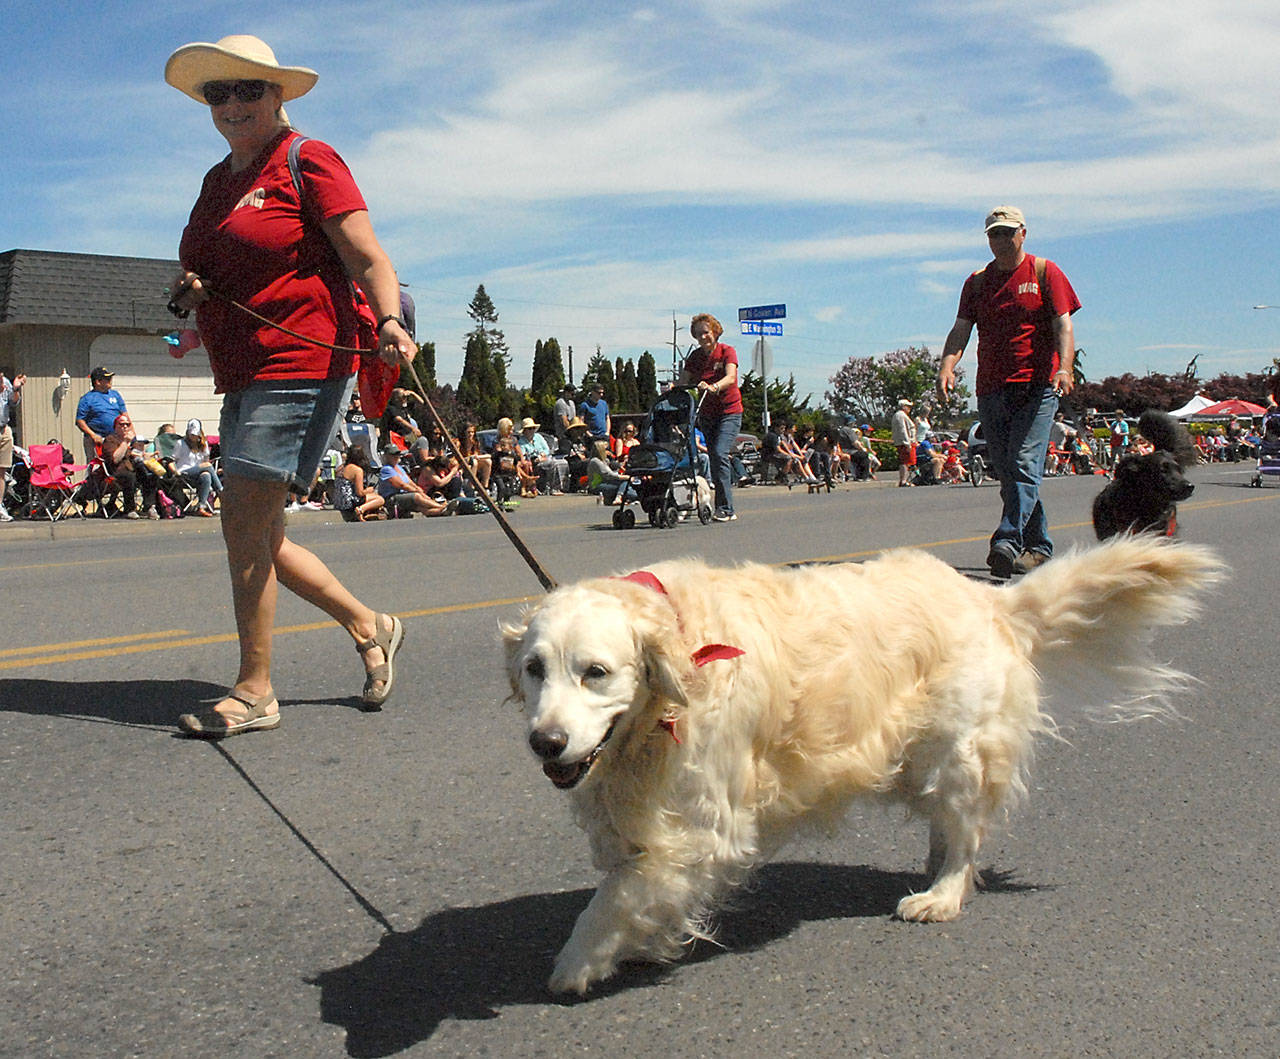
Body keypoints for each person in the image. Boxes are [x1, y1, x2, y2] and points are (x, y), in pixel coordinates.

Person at [165, 34, 415, 735]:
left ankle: (255, 690)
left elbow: (367, 257)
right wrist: (192, 289)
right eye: (218, 92)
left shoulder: (308, 159)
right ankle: (370, 624)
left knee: (245, 523)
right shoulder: (217, 181)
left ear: (277, 94)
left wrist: (389, 321)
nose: (233, 104)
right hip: (242, 368)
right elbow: (212, 261)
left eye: (249, 88)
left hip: (302, 357)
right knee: (257, 531)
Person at [938, 205, 1080, 579]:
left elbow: (1063, 326)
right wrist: (947, 366)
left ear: (1023, 234)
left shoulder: (1045, 272)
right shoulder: (977, 282)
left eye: (1007, 232)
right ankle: (1040, 547)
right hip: (991, 389)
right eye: (994, 234)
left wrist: (1064, 367)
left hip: (1037, 386)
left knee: (1023, 463)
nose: (1000, 239)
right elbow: (960, 330)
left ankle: (1006, 541)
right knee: (1009, 473)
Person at [678, 313, 743, 521]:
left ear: (715, 332)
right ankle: (719, 505)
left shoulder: (726, 351)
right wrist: (674, 387)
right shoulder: (695, 357)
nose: (702, 337)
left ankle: (726, 508)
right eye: (698, 334)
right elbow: (683, 380)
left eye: (705, 332)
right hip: (707, 413)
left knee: (719, 452)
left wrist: (714, 386)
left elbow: (731, 377)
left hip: (729, 411)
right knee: (714, 458)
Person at [99, 413, 162, 519]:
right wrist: (125, 442)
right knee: (129, 476)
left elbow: (138, 455)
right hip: (116, 472)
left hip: (134, 468)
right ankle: (130, 509)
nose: (125, 427)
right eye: (121, 424)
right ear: (115, 427)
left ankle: (150, 507)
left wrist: (147, 456)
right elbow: (115, 459)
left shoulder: (133, 441)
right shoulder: (110, 440)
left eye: (127, 424)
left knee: (151, 475)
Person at [377, 445, 455, 516]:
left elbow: (409, 481)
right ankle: (442, 507)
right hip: (391, 498)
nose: (396, 456)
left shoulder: (399, 467)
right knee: (417, 496)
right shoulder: (386, 469)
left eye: (397, 454)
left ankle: (442, 511)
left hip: (404, 495)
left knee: (421, 507)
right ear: (386, 456)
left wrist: (417, 488)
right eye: (393, 455)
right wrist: (416, 490)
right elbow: (401, 485)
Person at [75, 366, 128, 463]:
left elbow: (125, 416)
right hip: (97, 440)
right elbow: (80, 421)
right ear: (98, 382)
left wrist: (129, 433)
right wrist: (93, 435)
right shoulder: (87, 399)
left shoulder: (115, 395)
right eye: (107, 379)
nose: (110, 380)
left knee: (119, 462)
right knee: (97, 465)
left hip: (115, 438)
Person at [172, 417, 223, 515]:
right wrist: (174, 471)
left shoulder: (203, 444)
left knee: (206, 475)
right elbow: (172, 460)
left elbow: (205, 460)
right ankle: (221, 491)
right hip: (184, 472)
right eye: (191, 434)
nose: (193, 437)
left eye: (195, 435)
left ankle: (201, 506)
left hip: (198, 474)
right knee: (207, 466)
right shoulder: (180, 443)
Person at [334, 444, 384, 521]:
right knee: (380, 499)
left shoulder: (340, 468)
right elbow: (360, 493)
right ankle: (360, 510)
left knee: (372, 496)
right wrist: (369, 490)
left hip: (339, 502)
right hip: (349, 502)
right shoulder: (357, 470)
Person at [517, 417, 567, 494]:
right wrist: (537, 458)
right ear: (524, 431)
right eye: (529, 428)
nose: (532, 430)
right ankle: (553, 488)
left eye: (533, 428)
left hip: (544, 458)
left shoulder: (538, 437)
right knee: (552, 463)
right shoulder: (521, 442)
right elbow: (523, 455)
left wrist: (543, 454)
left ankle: (560, 487)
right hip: (533, 462)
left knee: (560, 462)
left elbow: (547, 449)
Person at [0, 369, 24, 521]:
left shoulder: (5, 383)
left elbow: (14, 402)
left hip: (4, 429)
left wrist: (15, 388)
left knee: (2, 471)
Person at [891, 398, 918, 487]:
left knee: (907, 462)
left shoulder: (900, 415)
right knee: (905, 462)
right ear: (903, 406)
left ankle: (904, 480)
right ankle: (903, 481)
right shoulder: (900, 415)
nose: (909, 408)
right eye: (908, 406)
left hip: (904, 442)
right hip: (904, 443)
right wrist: (907, 443)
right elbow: (903, 430)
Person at [553, 383, 577, 455]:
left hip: (572, 435)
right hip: (563, 436)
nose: (573, 396)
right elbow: (564, 421)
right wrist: (571, 432)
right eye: (572, 394)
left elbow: (574, 419)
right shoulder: (561, 403)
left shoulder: (572, 403)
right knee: (566, 454)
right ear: (566, 392)